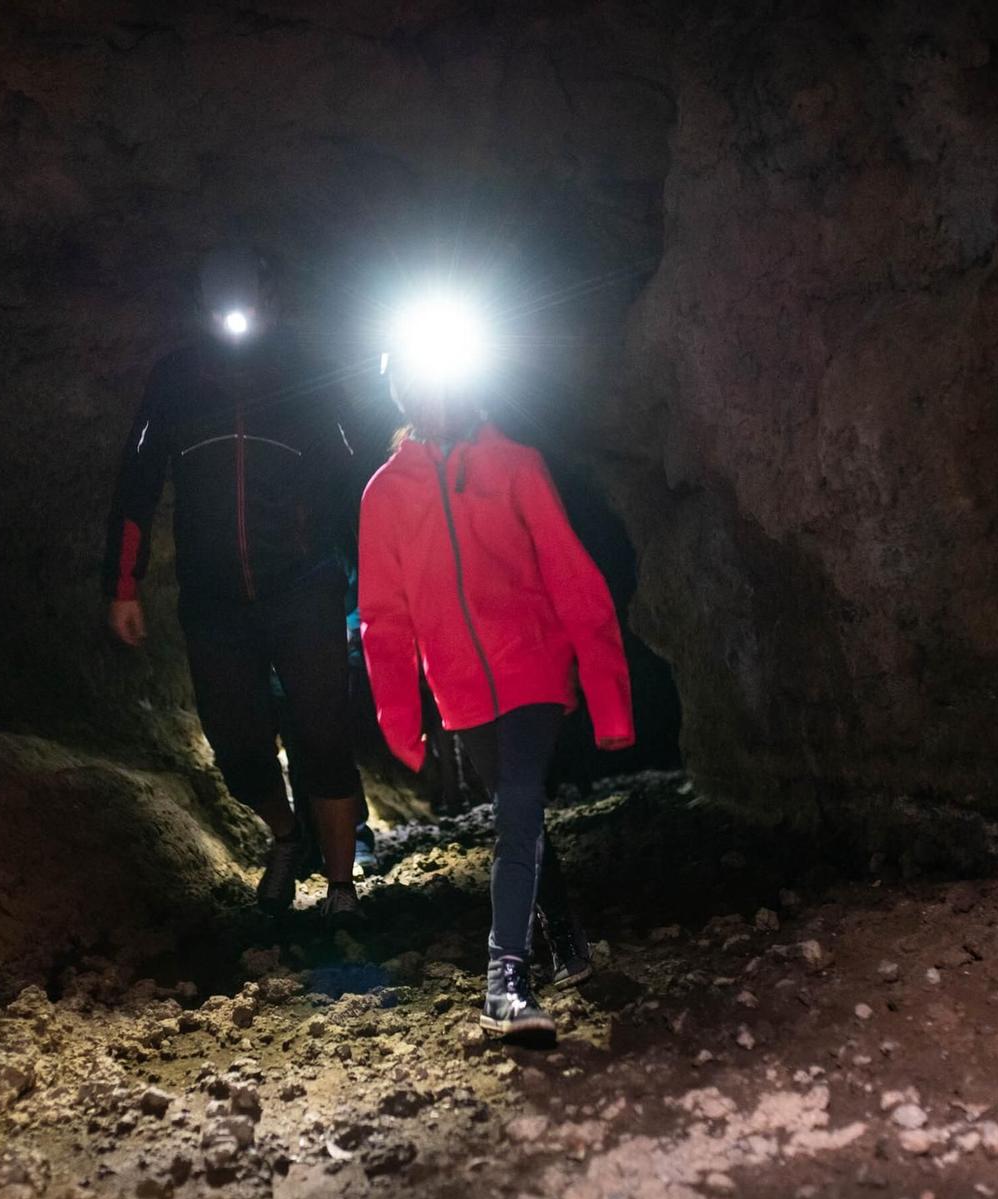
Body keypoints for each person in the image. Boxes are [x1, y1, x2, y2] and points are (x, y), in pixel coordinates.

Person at [356, 355, 632, 1037]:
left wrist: (608, 698)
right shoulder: (385, 494)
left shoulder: (517, 464)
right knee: (522, 809)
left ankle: (504, 977)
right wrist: (401, 719)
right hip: (461, 691)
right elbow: (383, 619)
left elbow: (574, 578)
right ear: (403, 390)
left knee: (516, 803)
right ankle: (562, 929)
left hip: (535, 669)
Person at [103, 243, 367, 917]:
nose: (237, 314)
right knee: (235, 742)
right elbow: (139, 480)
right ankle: (285, 835)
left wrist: (368, 581)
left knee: (323, 730)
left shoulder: (306, 365)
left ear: (269, 295)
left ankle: (341, 886)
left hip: (304, 583)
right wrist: (123, 585)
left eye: (247, 298)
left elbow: (351, 475)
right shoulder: (177, 377)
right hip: (216, 600)